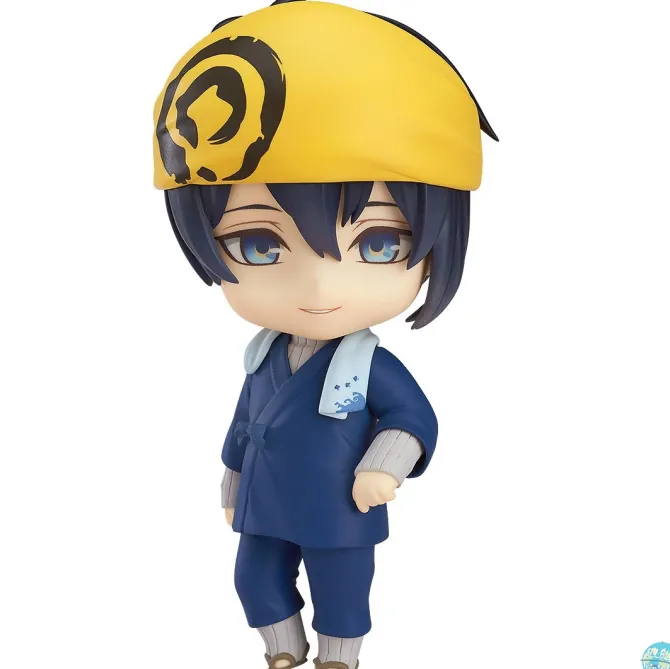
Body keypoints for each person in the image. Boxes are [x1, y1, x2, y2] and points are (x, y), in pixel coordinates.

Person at [153, 1, 497, 666]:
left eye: (378, 243)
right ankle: (282, 651)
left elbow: (413, 417)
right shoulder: (263, 355)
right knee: (253, 581)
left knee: (342, 589)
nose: (318, 288)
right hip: (267, 498)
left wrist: (384, 463)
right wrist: (232, 478)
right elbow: (245, 420)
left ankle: (339, 656)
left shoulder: (369, 363)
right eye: (257, 245)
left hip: (340, 501)